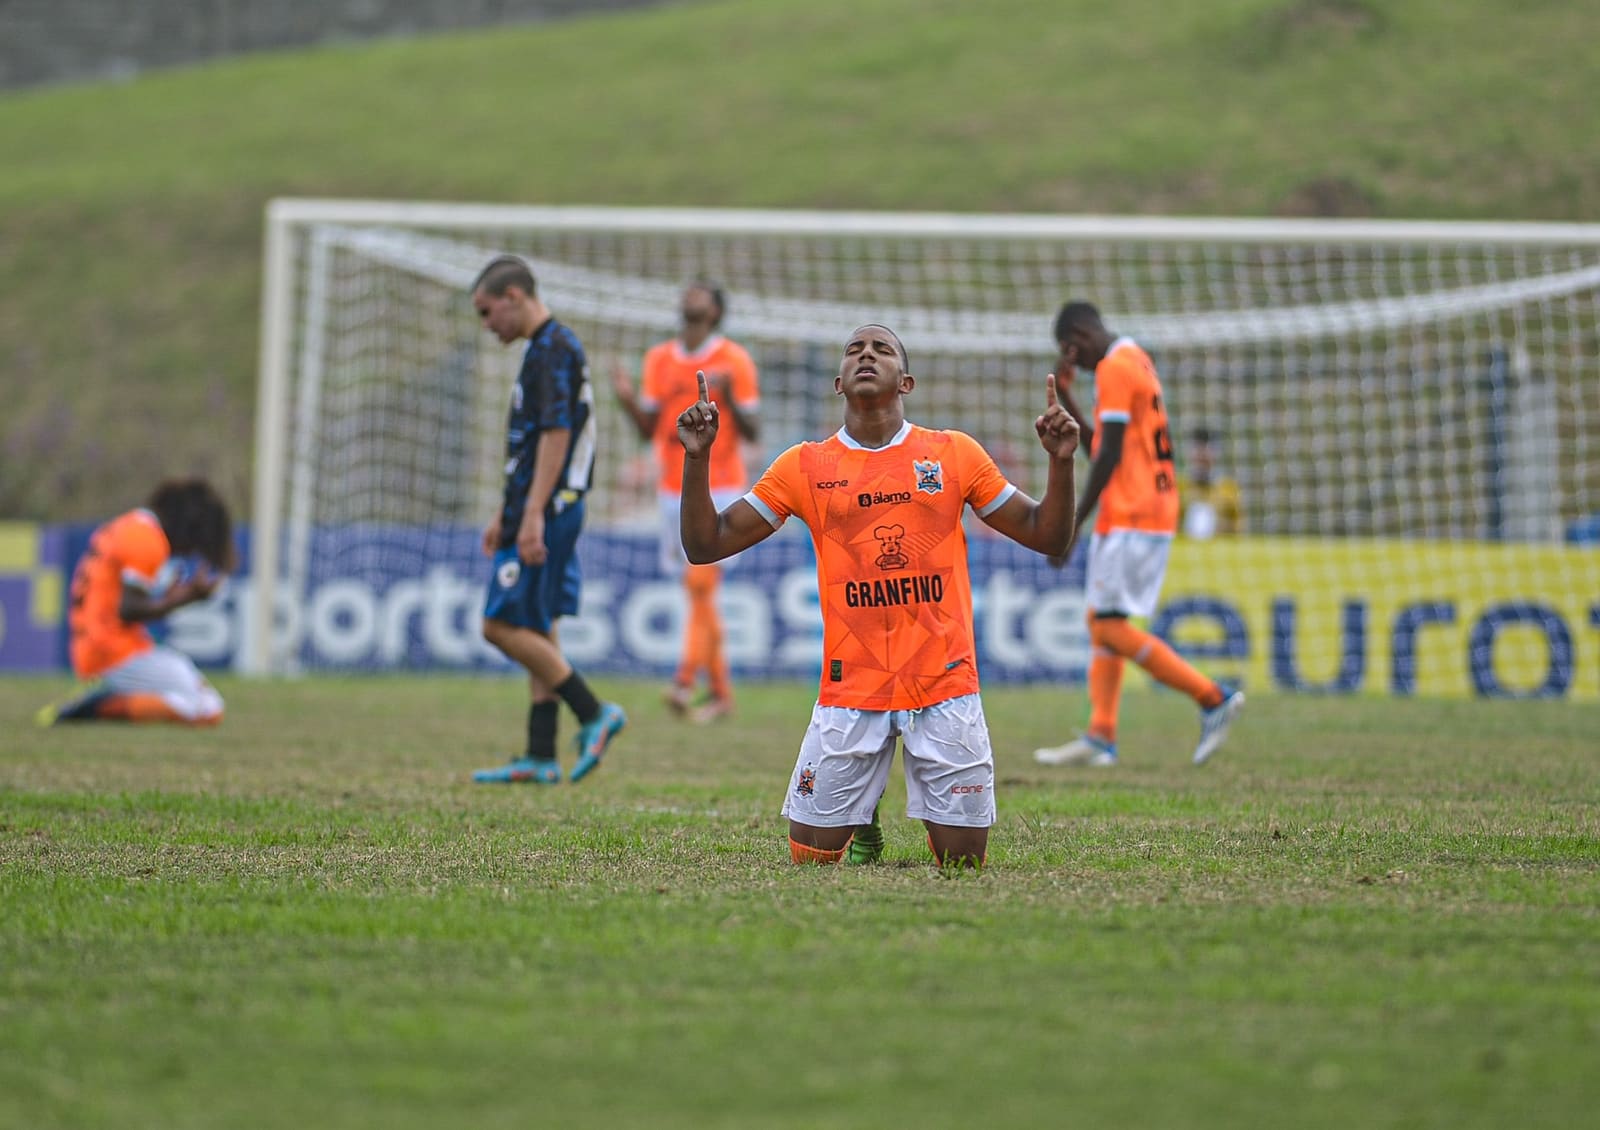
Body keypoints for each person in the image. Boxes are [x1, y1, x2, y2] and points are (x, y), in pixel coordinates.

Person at [677, 324, 1081, 869]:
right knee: (809, 857)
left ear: (906, 382)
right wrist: (697, 459)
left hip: (944, 685)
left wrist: (1061, 462)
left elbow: (1047, 535)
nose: (866, 355)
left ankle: (873, 797)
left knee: (962, 862)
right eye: (854, 351)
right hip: (851, 690)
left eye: (882, 349)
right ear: (838, 383)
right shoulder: (803, 465)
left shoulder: (953, 454)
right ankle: (863, 814)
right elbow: (705, 544)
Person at [1033, 302, 1245, 769]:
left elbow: (1107, 457)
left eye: (1070, 353)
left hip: (1134, 511)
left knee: (1109, 625)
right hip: (1143, 508)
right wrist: (1067, 397)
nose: (1075, 364)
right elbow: (1105, 448)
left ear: (1078, 338)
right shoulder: (1136, 359)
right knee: (1102, 621)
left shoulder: (1114, 367)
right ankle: (1100, 735)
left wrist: (1071, 526)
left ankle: (1212, 697)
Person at [467, 255, 626, 785]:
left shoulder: (553, 347)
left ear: (513, 296)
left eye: (487, 311)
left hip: (552, 507)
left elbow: (558, 434)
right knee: (538, 625)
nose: (486, 324)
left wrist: (532, 512)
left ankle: (593, 712)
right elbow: (533, 442)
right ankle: (540, 754)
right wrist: (507, 510)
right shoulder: (544, 347)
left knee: (499, 626)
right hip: (543, 504)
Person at [612, 282, 760, 723]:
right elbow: (649, 429)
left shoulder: (734, 359)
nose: (690, 295)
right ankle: (721, 693)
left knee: (700, 585)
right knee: (700, 594)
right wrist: (626, 400)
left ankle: (684, 679)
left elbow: (753, 431)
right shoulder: (658, 359)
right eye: (688, 290)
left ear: (715, 310)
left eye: (702, 292)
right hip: (672, 487)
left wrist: (728, 398)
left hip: (722, 485)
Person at [37, 478, 234, 726]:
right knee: (207, 709)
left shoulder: (130, 525)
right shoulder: (147, 540)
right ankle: (99, 705)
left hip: (100, 644)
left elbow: (123, 604)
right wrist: (186, 597)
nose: (187, 550)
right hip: (112, 651)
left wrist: (170, 599)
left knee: (199, 694)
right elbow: (129, 610)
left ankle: (106, 697)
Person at [1177, 426, 1245, 538]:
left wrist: (1218, 525)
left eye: (1206, 454)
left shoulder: (1228, 488)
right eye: (1198, 453)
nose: (1202, 455)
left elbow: (1238, 529)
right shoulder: (1178, 487)